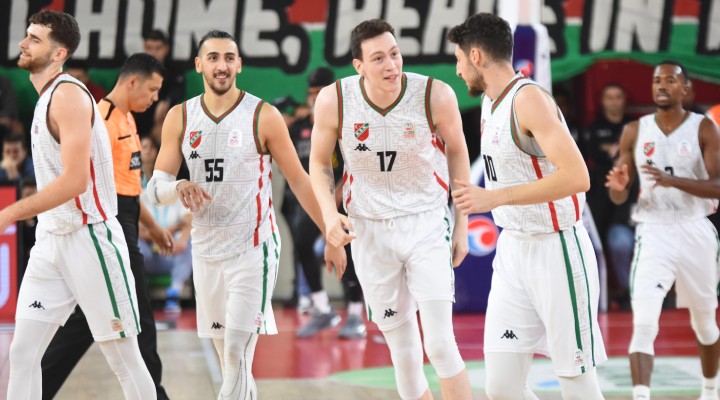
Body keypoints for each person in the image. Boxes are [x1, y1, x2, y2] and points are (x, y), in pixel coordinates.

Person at [147, 30, 346, 400]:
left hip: (253, 250)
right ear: (199, 65)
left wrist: (330, 232)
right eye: (213, 58)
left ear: (239, 64)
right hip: (206, 252)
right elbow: (155, 189)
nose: (221, 65)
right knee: (231, 366)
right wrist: (178, 186)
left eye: (229, 58)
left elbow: (300, 181)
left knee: (236, 355)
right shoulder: (180, 116)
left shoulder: (263, 115)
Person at [310, 19, 472, 400]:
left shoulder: (435, 94)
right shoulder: (334, 100)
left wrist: (462, 223)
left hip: (426, 221)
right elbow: (319, 164)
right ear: (359, 66)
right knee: (404, 355)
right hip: (369, 229)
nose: (391, 65)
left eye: (395, 54)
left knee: (440, 344)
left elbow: (458, 152)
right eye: (378, 58)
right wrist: (329, 217)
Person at [448, 13, 606, 400]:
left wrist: (495, 198)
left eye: (459, 60)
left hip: (557, 248)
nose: (458, 70)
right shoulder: (490, 103)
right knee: (502, 387)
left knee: (577, 384)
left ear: (476, 56)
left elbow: (578, 177)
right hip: (513, 250)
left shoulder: (529, 99)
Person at [4, 10, 156, 399]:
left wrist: (8, 213)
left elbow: (75, 182)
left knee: (123, 357)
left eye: (35, 39)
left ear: (59, 53)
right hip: (52, 238)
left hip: (90, 238)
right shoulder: (46, 98)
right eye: (27, 35)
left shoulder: (68, 95)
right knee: (23, 353)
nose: (23, 43)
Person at [40, 52, 173, 399]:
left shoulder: (128, 119)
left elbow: (128, 190)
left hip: (126, 218)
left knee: (95, 317)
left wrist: (153, 228)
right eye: (152, 90)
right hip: (109, 226)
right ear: (133, 82)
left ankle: (37, 388)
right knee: (135, 314)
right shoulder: (101, 120)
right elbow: (87, 185)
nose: (155, 98)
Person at [606, 61, 720, 400]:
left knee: (705, 323)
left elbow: (717, 186)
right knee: (644, 321)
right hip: (653, 232)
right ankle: (641, 395)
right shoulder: (634, 130)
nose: (662, 86)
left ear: (686, 89)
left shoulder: (704, 128)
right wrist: (619, 188)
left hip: (695, 229)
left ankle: (710, 390)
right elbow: (618, 193)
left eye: (671, 80)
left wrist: (674, 181)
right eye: (657, 80)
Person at [284, 67, 366, 339]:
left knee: (349, 252)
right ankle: (321, 308)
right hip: (314, 200)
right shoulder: (300, 127)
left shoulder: (345, 125)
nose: (314, 98)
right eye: (311, 93)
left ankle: (355, 314)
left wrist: (336, 198)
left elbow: (354, 166)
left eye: (320, 93)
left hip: (342, 198)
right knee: (302, 243)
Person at [139, 136, 193, 313]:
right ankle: (140, 296)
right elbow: (136, 229)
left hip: (171, 251)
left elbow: (189, 221)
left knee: (190, 242)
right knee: (135, 245)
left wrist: (180, 237)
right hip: (150, 253)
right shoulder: (139, 191)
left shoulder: (175, 190)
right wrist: (158, 233)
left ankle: (174, 294)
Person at [135, 29, 186, 142]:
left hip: (160, 122)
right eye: (149, 48)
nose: (153, 53)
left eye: (158, 48)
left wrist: (167, 101)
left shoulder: (173, 70)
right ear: (144, 48)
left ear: (166, 49)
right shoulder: (135, 69)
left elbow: (179, 90)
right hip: (136, 123)